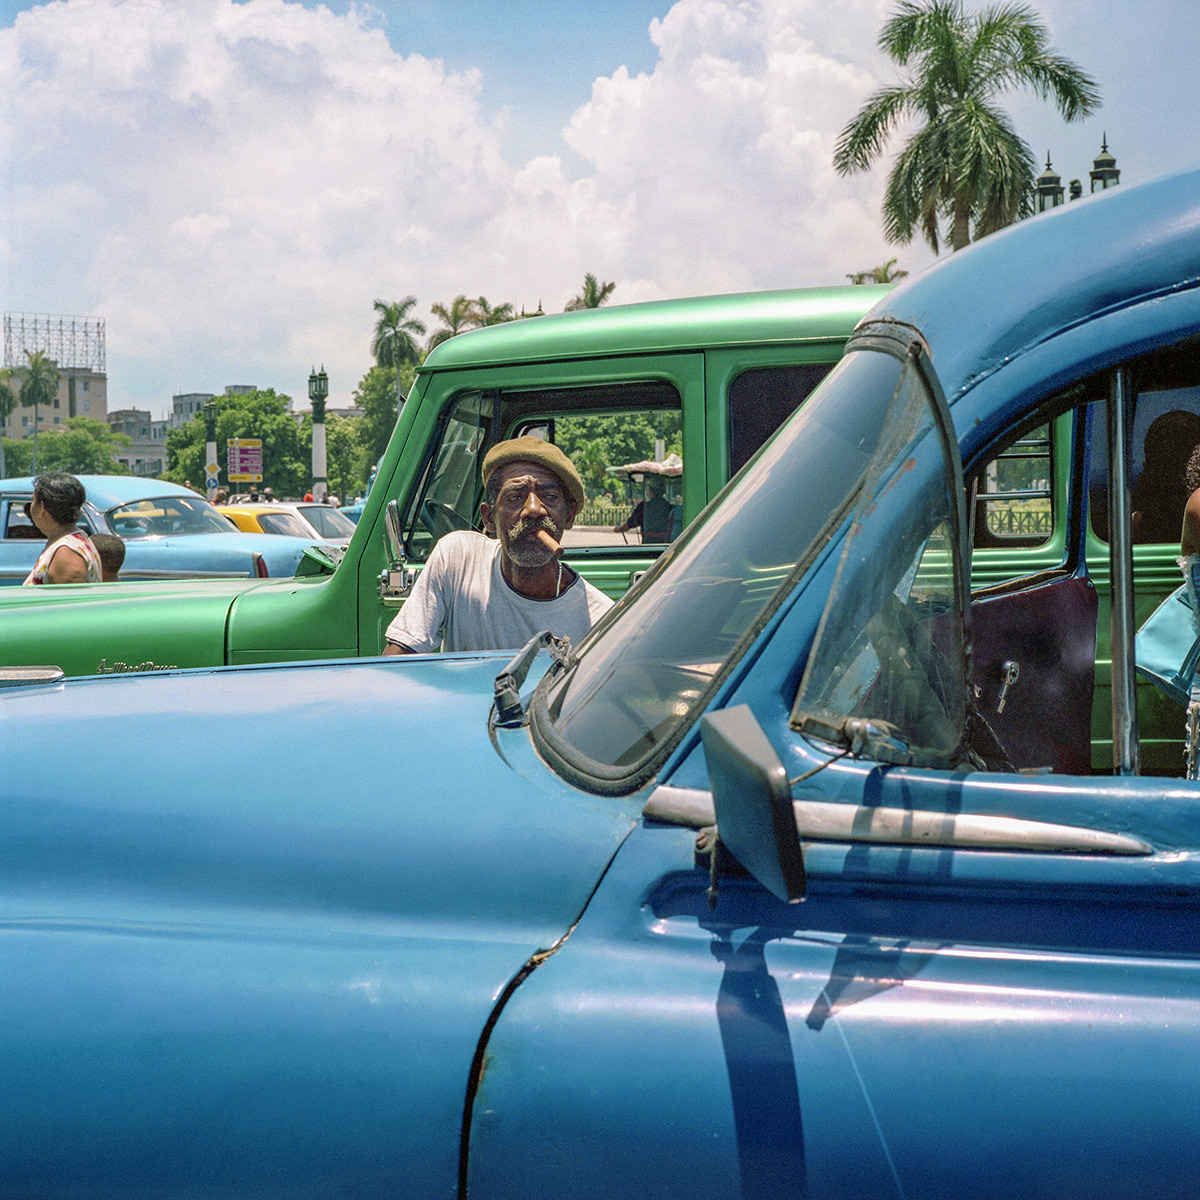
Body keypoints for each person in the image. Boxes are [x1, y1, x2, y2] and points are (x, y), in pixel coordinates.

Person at [383, 436, 613, 654]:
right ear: (489, 518)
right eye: (515, 497)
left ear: (569, 515)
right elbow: (399, 658)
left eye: (550, 497)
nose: (534, 509)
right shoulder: (459, 559)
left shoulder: (599, 619)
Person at [22, 472, 103, 585]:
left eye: (33, 500)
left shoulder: (66, 553)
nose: (31, 506)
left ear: (41, 508)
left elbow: (69, 595)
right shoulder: (71, 540)